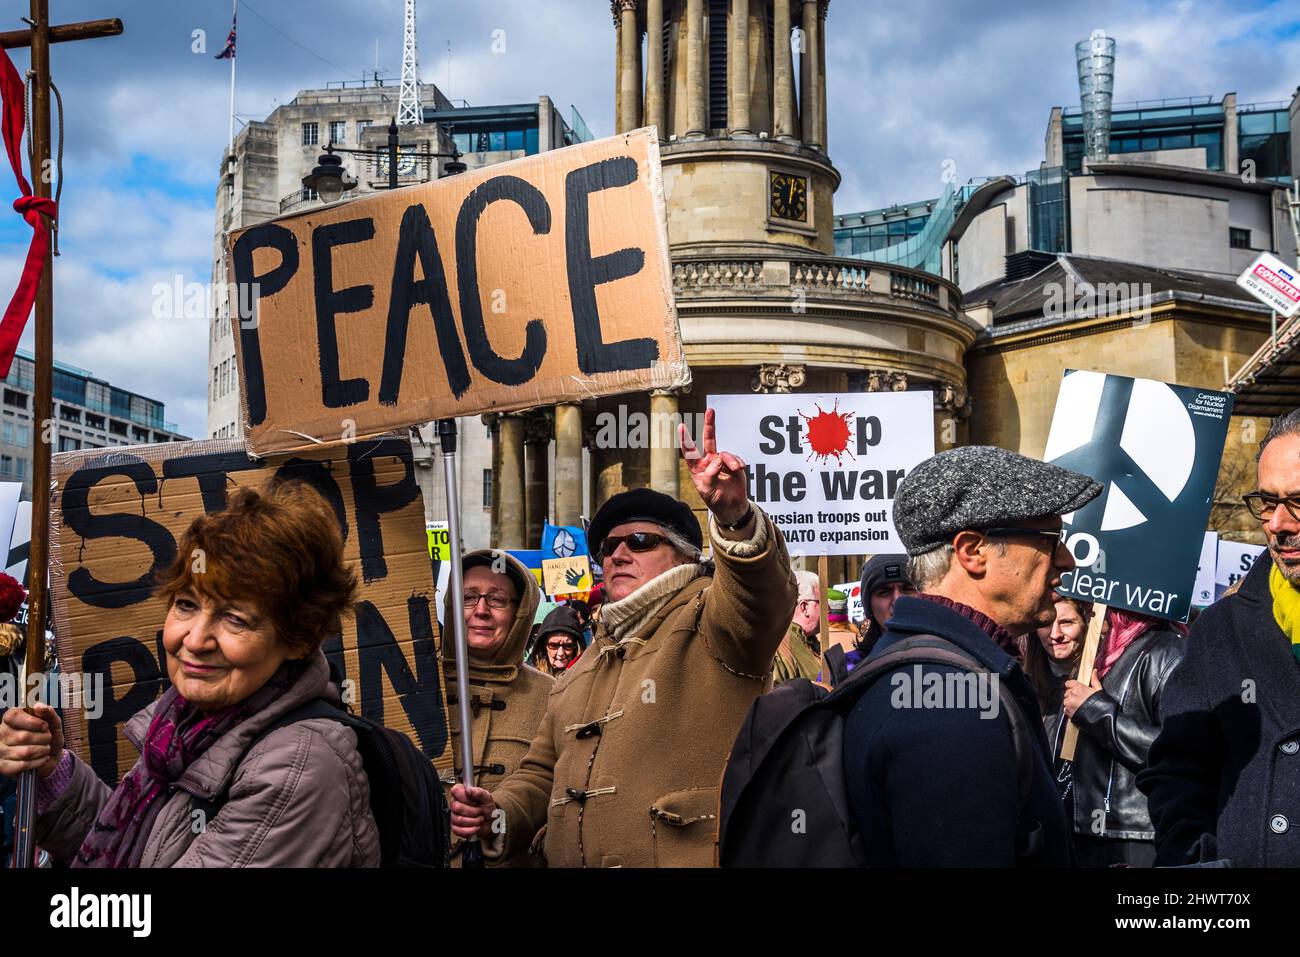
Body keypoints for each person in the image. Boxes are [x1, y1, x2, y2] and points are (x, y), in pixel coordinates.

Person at [449, 408, 796, 867]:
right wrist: (499, 814)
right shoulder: (585, 665)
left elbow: (762, 595)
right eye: (608, 547)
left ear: (684, 555)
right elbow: (539, 776)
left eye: (640, 541)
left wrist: (734, 518)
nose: (618, 554)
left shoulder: (713, 622)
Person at [0, 483, 379, 867]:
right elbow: (134, 848)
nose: (195, 640)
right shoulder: (185, 723)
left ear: (298, 639)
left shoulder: (295, 770)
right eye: (185, 605)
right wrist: (54, 771)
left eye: (235, 618)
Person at [842, 445, 1102, 866]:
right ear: (973, 551)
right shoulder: (946, 703)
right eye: (1050, 540)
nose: (1066, 561)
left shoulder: (947, 676)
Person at [1139, 410, 1300, 867]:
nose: (1278, 524)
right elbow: (1177, 771)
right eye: (1267, 503)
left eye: (1298, 501)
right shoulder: (1220, 629)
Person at [442, 549, 552, 866]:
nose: (481, 611)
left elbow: (551, 785)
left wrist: (499, 817)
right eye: (468, 598)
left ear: (520, 612)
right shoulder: (415, 687)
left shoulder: (554, 695)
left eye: (498, 600)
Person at [1062, 607, 1184, 868]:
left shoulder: (1170, 653)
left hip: (1135, 835)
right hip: (1090, 830)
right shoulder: (1108, 649)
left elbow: (1177, 751)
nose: (1090, 611)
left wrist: (1095, 711)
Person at [828, 554, 914, 684]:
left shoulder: (945, 653)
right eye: (884, 592)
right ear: (869, 606)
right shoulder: (847, 668)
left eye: (908, 589)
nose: (898, 600)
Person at [773, 570, 825, 687]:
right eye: (823, 603)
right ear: (804, 607)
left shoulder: (811, 641)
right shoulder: (778, 646)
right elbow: (777, 698)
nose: (829, 609)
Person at [530, 605, 586, 676]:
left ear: (577, 647)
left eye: (568, 645)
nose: (560, 653)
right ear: (544, 647)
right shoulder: (531, 678)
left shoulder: (587, 677)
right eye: (553, 645)